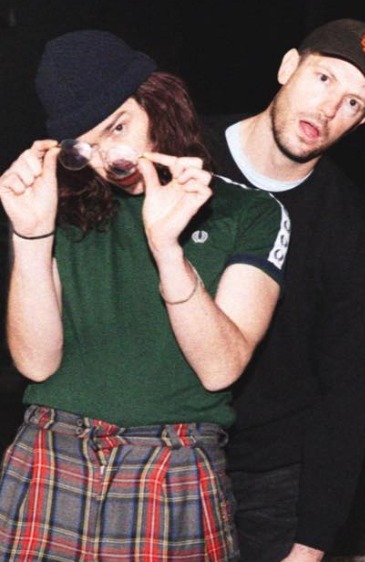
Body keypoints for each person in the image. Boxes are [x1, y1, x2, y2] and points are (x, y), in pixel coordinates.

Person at [0, 29, 288, 560]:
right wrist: (30, 235)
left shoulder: (248, 212)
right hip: (49, 451)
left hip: (173, 461)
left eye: (118, 126)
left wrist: (167, 250)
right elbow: (36, 364)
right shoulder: (56, 207)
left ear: (158, 102)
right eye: (85, 146)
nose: (111, 158)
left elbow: (221, 368)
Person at [201, 18, 365, 562]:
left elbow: (347, 398)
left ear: (360, 122)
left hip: (269, 479)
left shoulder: (354, 236)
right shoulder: (184, 154)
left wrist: (312, 542)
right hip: (156, 446)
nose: (329, 108)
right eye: (324, 78)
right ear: (289, 66)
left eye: (353, 102)